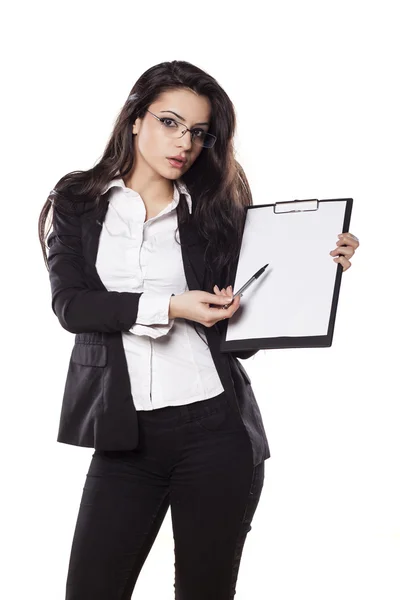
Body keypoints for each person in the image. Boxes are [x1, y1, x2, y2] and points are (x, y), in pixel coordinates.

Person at [38, 60, 360, 600]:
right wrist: (172, 307)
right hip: (125, 437)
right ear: (136, 119)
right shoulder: (79, 201)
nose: (183, 142)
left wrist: (314, 269)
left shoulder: (213, 211)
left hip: (216, 430)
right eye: (169, 122)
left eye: (198, 132)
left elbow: (243, 339)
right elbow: (73, 307)